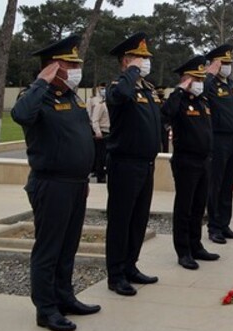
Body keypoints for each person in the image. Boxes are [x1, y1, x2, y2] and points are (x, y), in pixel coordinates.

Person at [11, 34, 100, 331]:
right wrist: (41, 82)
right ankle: (46, 310)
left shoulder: (71, 96)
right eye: (70, 64)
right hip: (51, 184)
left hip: (75, 184)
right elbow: (21, 115)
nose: (76, 69)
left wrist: (83, 176)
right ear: (52, 68)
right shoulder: (35, 96)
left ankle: (65, 297)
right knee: (49, 249)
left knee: (68, 247)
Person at [105, 32, 161, 296]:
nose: (146, 62)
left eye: (147, 57)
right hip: (124, 164)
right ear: (126, 61)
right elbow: (119, 97)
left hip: (145, 163)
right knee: (121, 220)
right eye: (141, 57)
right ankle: (115, 275)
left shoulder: (146, 89)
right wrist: (130, 73)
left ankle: (130, 266)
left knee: (138, 220)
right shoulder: (118, 86)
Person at [161, 55, 220, 270]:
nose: (200, 83)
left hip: (204, 160)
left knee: (198, 206)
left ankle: (196, 245)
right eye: (196, 79)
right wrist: (179, 89)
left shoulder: (202, 101)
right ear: (186, 79)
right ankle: (183, 250)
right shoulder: (178, 100)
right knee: (184, 207)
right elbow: (165, 114)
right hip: (186, 161)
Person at [204, 44, 233, 244]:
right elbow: (201, 92)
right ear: (216, 65)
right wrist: (209, 74)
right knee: (216, 185)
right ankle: (213, 227)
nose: (227, 67)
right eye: (223, 63)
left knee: (228, 184)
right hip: (217, 139)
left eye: (229, 63)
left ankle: (224, 223)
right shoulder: (209, 83)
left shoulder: (230, 84)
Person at [90, 82, 109, 183]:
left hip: (109, 132)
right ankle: (100, 176)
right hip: (102, 132)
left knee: (107, 156)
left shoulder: (109, 105)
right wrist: (97, 131)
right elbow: (95, 119)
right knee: (100, 156)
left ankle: (106, 173)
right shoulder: (100, 105)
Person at [156, 86, 170, 153]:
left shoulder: (166, 101)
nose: (161, 93)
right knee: (157, 142)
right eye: (159, 92)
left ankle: (165, 153)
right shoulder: (154, 101)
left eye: (162, 92)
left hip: (164, 125)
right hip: (156, 124)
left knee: (165, 142)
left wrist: (169, 123)